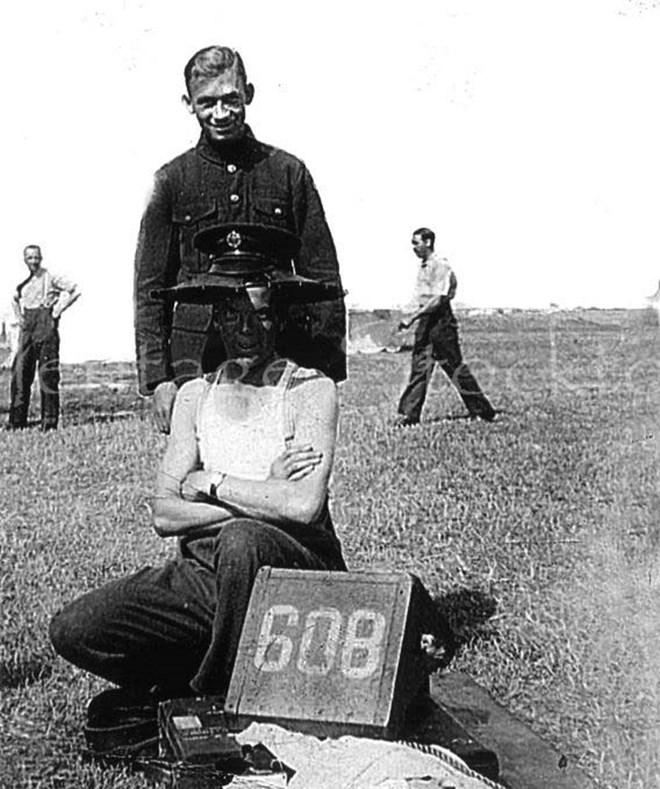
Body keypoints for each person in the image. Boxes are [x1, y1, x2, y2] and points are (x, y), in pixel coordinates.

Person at [50, 224, 346, 707]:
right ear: (216, 319)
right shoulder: (195, 395)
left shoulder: (309, 390)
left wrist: (209, 481)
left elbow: (303, 505)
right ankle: (200, 673)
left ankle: (218, 698)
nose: (247, 329)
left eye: (262, 315)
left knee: (243, 539)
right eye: (233, 315)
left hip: (295, 571)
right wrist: (257, 496)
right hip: (206, 574)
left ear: (281, 318)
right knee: (76, 628)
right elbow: (164, 515)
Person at [134, 45, 346, 434]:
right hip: (196, 360)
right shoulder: (171, 181)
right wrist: (158, 378)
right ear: (188, 103)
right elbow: (151, 288)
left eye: (231, 99)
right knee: (199, 474)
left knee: (288, 467)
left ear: (248, 93)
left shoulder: (288, 172)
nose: (220, 113)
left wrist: (325, 369)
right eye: (207, 102)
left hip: (283, 349)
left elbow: (323, 277)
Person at [395, 228, 496, 426]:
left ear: (428, 242)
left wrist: (412, 318)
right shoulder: (424, 266)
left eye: (416, 243)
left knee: (455, 368)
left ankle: (482, 411)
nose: (413, 248)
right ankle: (410, 415)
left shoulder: (440, 265)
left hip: (441, 322)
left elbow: (438, 299)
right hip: (426, 321)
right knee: (420, 368)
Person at [7, 245, 80, 431]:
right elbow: (14, 299)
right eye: (30, 258)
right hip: (28, 330)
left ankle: (49, 423)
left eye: (36, 257)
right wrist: (20, 318)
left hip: (46, 328)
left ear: (41, 258)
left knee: (48, 376)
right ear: (25, 259)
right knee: (20, 375)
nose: (33, 261)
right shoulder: (23, 281)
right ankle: (16, 422)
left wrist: (57, 310)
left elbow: (74, 290)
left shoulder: (50, 276)